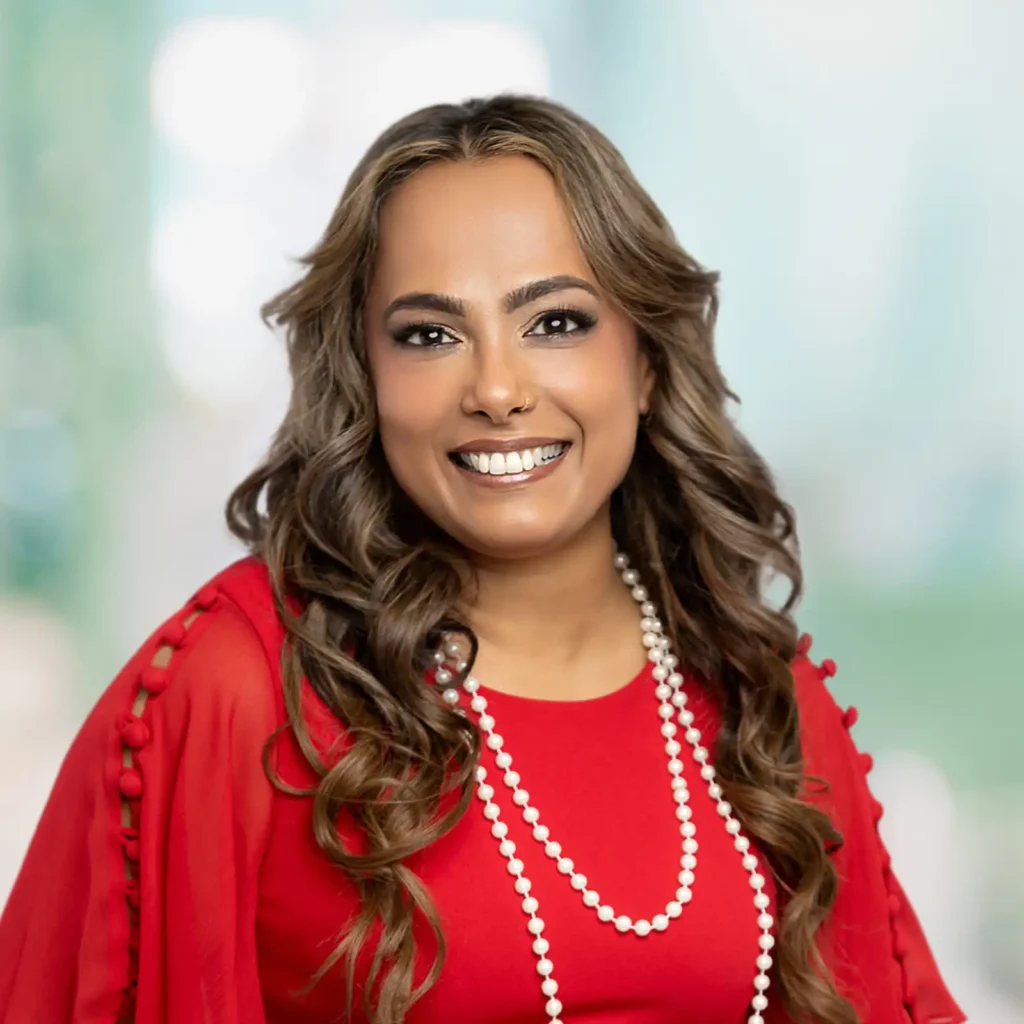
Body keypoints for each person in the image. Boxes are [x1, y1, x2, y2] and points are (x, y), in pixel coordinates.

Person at [0, 95, 964, 1024]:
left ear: (648, 362)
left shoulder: (761, 691)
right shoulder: (236, 686)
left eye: (556, 322)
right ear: (365, 381)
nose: (497, 388)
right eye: (430, 335)